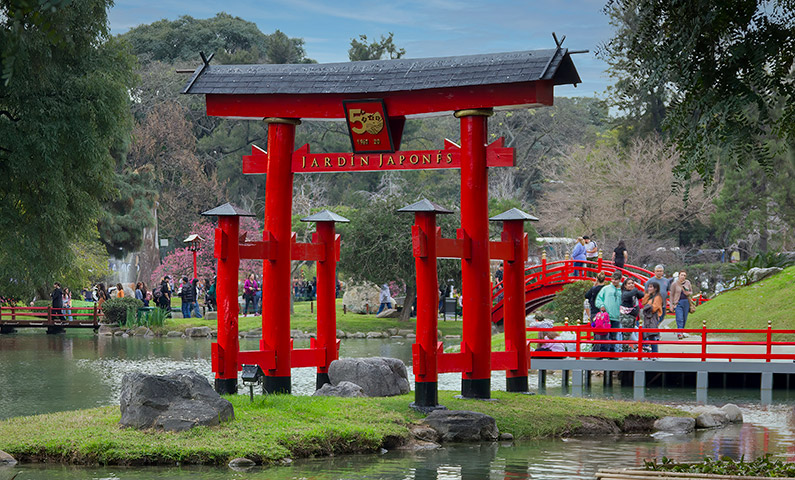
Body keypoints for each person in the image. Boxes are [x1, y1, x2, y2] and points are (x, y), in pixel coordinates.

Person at [595, 271, 623, 352]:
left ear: (620, 280)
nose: (614, 281)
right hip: (606, 317)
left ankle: (612, 352)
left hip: (617, 316)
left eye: (616, 280)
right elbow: (598, 299)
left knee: (614, 336)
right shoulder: (606, 289)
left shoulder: (623, 289)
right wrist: (601, 305)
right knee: (603, 335)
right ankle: (603, 352)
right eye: (613, 279)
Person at [619, 278, 644, 351]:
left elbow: (641, 294)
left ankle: (636, 346)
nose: (631, 285)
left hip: (632, 317)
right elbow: (630, 295)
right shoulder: (625, 293)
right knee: (626, 335)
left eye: (632, 283)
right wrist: (635, 289)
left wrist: (636, 290)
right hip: (626, 317)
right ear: (625, 286)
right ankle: (625, 351)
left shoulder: (633, 292)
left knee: (630, 333)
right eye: (629, 284)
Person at [669, 269, 693, 339]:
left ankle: (681, 331)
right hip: (678, 302)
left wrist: (688, 293)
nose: (683, 277)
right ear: (679, 275)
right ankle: (679, 332)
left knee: (684, 318)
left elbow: (691, 291)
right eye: (682, 275)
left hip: (686, 301)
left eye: (684, 275)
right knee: (679, 318)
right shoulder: (674, 284)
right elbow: (671, 295)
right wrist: (671, 305)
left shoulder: (687, 282)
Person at [642, 283, 664, 354]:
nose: (649, 288)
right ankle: (649, 350)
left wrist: (648, 306)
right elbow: (643, 302)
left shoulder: (658, 297)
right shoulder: (650, 296)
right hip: (647, 318)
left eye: (651, 287)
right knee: (645, 334)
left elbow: (654, 308)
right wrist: (647, 294)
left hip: (653, 318)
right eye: (648, 287)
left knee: (651, 335)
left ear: (655, 288)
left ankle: (654, 353)